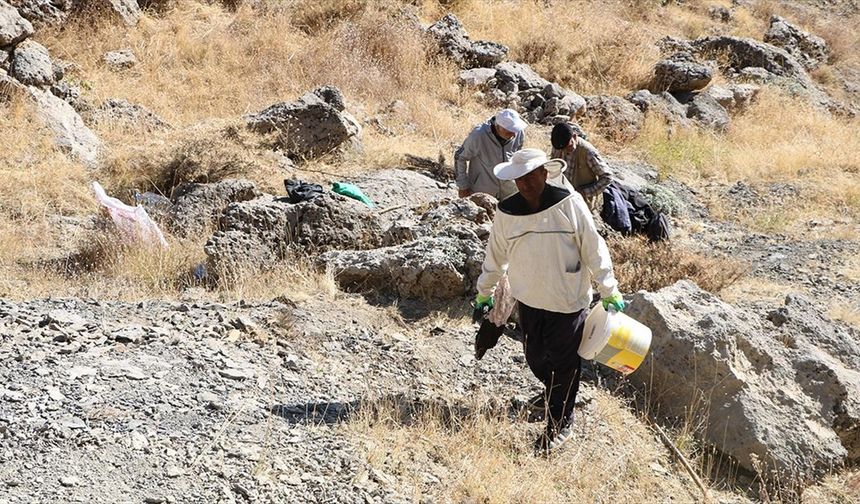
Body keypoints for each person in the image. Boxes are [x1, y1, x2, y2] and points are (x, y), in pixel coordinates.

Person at [473, 148, 625, 455]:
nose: (526, 184)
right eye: (520, 178)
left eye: (532, 175)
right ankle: (555, 394)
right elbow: (496, 256)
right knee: (535, 357)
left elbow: (593, 247)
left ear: (545, 173)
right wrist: (484, 291)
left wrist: (609, 289)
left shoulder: (570, 204)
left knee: (564, 363)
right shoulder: (507, 213)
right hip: (528, 298)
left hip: (567, 300)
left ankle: (560, 421)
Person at [454, 109, 527, 201]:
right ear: (498, 127)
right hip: (483, 192)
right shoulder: (478, 135)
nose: (513, 134)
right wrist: (463, 186)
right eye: (509, 131)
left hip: (509, 191)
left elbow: (517, 156)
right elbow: (460, 157)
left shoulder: (518, 132)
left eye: (515, 129)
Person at [550, 122, 613, 213]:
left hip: (583, 203)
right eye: (562, 149)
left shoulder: (588, 152)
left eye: (569, 146)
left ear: (574, 137)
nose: (566, 151)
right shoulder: (558, 146)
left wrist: (584, 192)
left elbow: (607, 177)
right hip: (563, 199)